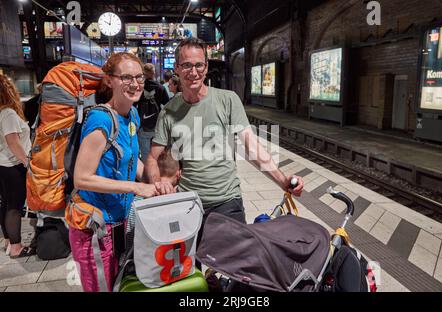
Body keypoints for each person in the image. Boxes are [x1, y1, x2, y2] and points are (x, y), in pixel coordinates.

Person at [144, 38, 304, 237]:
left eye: (199, 65)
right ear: (176, 68)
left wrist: (283, 180)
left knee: (233, 265)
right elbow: (152, 157)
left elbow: (251, 146)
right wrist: (158, 182)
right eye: (186, 65)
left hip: (227, 202)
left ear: (206, 66)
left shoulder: (228, 100)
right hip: (186, 203)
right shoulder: (168, 112)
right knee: (191, 268)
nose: (193, 72)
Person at [69, 52, 175, 292]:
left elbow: (131, 161)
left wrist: (156, 182)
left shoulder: (131, 115)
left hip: (121, 224)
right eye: (126, 77)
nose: (135, 84)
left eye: (139, 77)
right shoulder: (100, 120)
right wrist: (137, 187)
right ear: (110, 80)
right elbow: (82, 178)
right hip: (95, 229)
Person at [0, 74, 35, 259]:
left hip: (3, 165)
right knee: (14, 205)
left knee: (6, 203)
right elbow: (13, 141)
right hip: (13, 166)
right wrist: (27, 163)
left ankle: (8, 241)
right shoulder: (8, 113)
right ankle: (16, 247)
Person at [134, 63, 170, 162]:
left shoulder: (139, 88)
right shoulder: (160, 87)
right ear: (153, 73)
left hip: (143, 125)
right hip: (157, 125)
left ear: (143, 73)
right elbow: (167, 104)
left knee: (145, 154)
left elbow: (133, 105)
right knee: (156, 154)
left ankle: (146, 174)